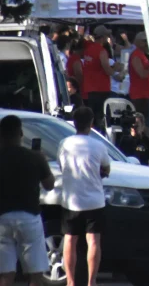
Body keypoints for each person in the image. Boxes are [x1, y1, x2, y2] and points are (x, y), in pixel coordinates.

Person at [57, 107, 111, 286]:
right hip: (94, 200)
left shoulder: (64, 143)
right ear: (91, 123)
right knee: (93, 240)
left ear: (74, 123)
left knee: (70, 239)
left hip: (71, 200)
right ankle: (91, 281)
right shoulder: (98, 145)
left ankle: (70, 282)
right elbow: (106, 169)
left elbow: (61, 165)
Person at [0, 114, 56, 286]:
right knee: (36, 273)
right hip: (29, 216)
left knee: (5, 273)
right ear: (21, 133)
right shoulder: (35, 157)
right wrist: (43, 163)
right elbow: (49, 185)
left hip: (2, 217)